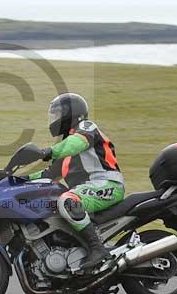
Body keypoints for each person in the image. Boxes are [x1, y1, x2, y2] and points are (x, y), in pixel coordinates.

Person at [27, 93, 125, 270]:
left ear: (69, 114)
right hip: (88, 189)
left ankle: (97, 248)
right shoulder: (66, 147)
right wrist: (17, 179)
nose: (54, 119)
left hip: (106, 184)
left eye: (57, 114)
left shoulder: (86, 128)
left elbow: (76, 143)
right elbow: (48, 175)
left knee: (68, 201)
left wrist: (47, 151)